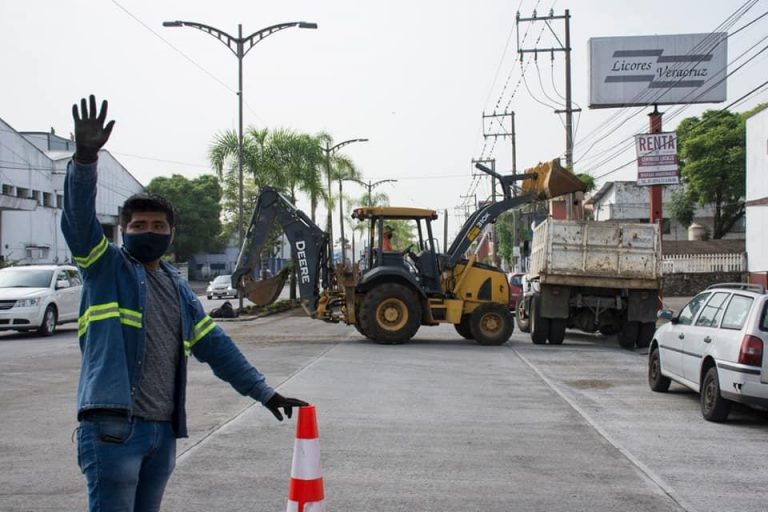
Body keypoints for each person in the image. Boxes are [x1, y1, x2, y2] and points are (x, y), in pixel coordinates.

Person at [63, 95, 307, 512]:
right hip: (113, 429)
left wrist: (266, 394)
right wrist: (85, 160)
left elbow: (217, 349)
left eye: (158, 225)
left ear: (171, 233)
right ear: (123, 231)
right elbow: (78, 222)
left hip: (162, 434)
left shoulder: (178, 288)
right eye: (138, 225)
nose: (149, 230)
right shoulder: (104, 267)